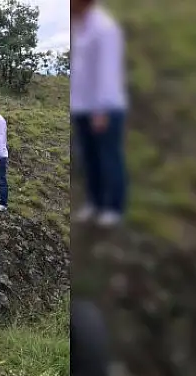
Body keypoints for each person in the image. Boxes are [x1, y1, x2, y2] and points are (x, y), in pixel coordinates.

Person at [71, 0, 128, 227]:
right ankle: (95, 203)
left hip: (104, 108)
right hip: (83, 107)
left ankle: (114, 207)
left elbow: (107, 71)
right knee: (90, 158)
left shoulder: (104, 27)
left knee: (109, 158)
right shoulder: (80, 25)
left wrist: (101, 110)